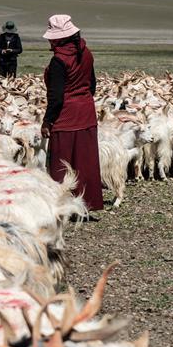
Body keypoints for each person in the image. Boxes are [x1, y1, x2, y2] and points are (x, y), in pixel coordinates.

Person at [40, 14, 103, 212]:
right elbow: (92, 84)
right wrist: (83, 101)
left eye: (52, 37)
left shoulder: (59, 60)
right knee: (85, 159)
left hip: (66, 115)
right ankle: (87, 202)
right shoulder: (87, 53)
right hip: (86, 111)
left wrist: (47, 121)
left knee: (61, 161)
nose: (50, 40)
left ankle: (62, 205)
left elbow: (56, 96)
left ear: (59, 38)